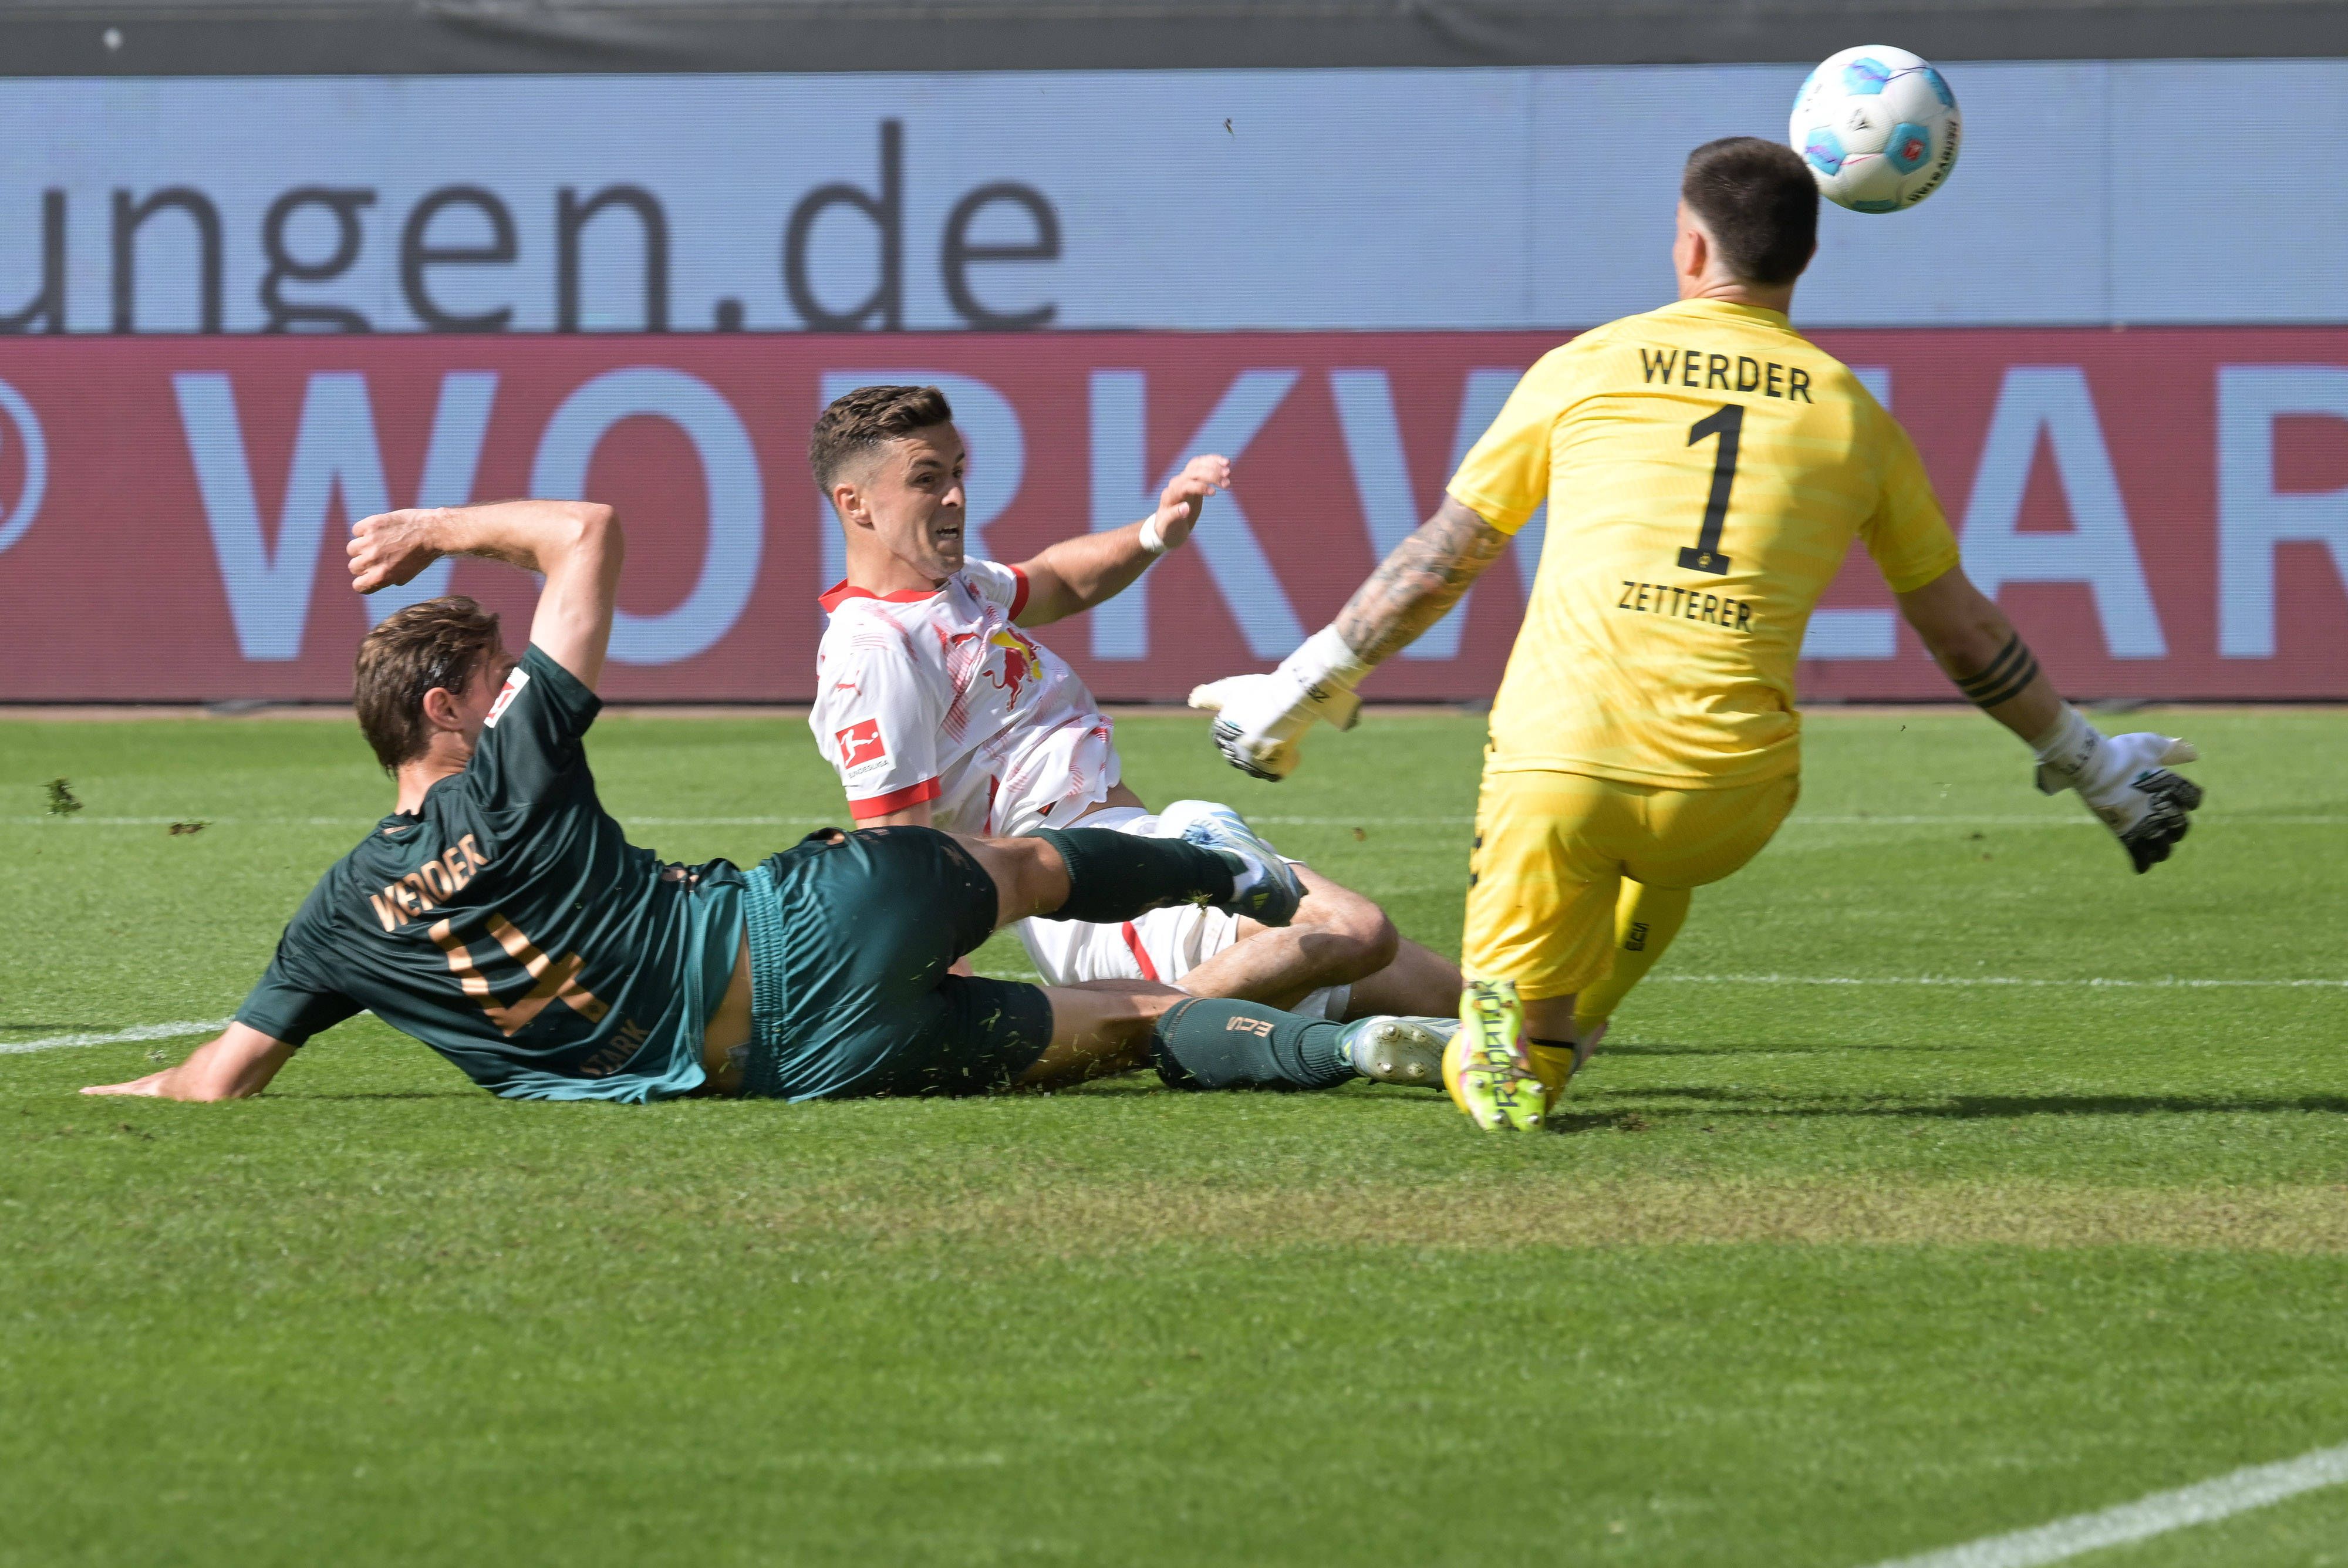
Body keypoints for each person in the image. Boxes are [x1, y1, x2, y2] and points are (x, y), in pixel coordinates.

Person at [1192, 136, 2205, 1133]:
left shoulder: (1587, 365)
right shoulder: (1856, 418)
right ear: (1808, 258)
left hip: (1560, 774)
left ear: (1688, 248)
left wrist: (1295, 688)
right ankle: (1572, 1028)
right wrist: (2095, 766)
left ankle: (1513, 1050)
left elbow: (1439, 562)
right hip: (1732, 793)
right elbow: (1963, 632)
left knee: (1498, 1062)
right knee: (1655, 859)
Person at [84, 497, 1455, 1106]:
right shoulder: (513, 764)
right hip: (813, 914)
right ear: (448, 711)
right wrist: (438, 528)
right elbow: (588, 529)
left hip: (786, 1065)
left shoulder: (333, 921)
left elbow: (210, 1081)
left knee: (1145, 1030)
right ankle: (1226, 871)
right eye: (495, 674)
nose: (516, 689)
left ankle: (1334, 1058)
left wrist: (95, 1095)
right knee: (1033, 865)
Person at [804, 382, 1459, 1050]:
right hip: (1100, 901)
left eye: (957, 472)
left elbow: (1055, 579)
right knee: (1356, 930)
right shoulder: (874, 650)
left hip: (1141, 850)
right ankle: (1121, 1024)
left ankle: (1216, 1031)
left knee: (1483, 1011)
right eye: (926, 479)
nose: (955, 496)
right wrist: (951, 1006)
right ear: (853, 503)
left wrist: (1155, 532)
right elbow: (901, 859)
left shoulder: (956, 586)